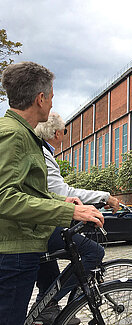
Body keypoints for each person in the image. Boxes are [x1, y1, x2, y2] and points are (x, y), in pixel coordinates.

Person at [0, 61, 104, 325]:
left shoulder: (24, 135)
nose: (51, 105)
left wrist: (60, 199)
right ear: (40, 98)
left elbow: (27, 190)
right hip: (15, 248)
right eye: (52, 98)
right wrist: (70, 210)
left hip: (22, 244)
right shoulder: (14, 135)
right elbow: (5, 198)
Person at [33, 112, 120, 324]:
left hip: (39, 222)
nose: (64, 135)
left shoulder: (43, 152)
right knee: (94, 252)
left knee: (49, 271)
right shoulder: (43, 154)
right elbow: (61, 192)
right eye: (64, 131)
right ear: (55, 133)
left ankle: (47, 308)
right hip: (40, 223)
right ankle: (46, 306)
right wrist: (104, 196)